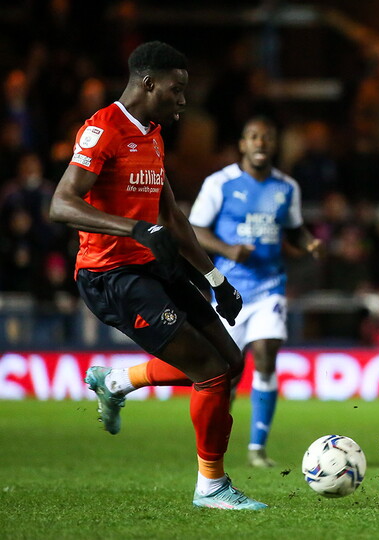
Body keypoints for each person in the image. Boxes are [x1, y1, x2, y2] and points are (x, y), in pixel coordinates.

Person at [47, 41, 267, 510]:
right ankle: (211, 486)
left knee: (231, 365)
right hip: (111, 276)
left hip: (150, 265)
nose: (182, 100)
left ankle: (118, 382)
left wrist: (215, 279)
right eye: (177, 89)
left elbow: (171, 216)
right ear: (149, 83)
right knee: (208, 373)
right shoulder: (102, 130)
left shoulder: (152, 134)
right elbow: (61, 204)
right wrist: (134, 228)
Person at [188, 115, 321, 468]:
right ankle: (214, 447)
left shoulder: (287, 187)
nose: (260, 143)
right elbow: (194, 229)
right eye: (253, 137)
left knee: (264, 354)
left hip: (269, 287)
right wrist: (229, 250)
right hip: (227, 292)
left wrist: (308, 243)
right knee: (225, 373)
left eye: (266, 137)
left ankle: (257, 448)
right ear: (242, 145)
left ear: (274, 144)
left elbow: (294, 229)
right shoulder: (220, 183)